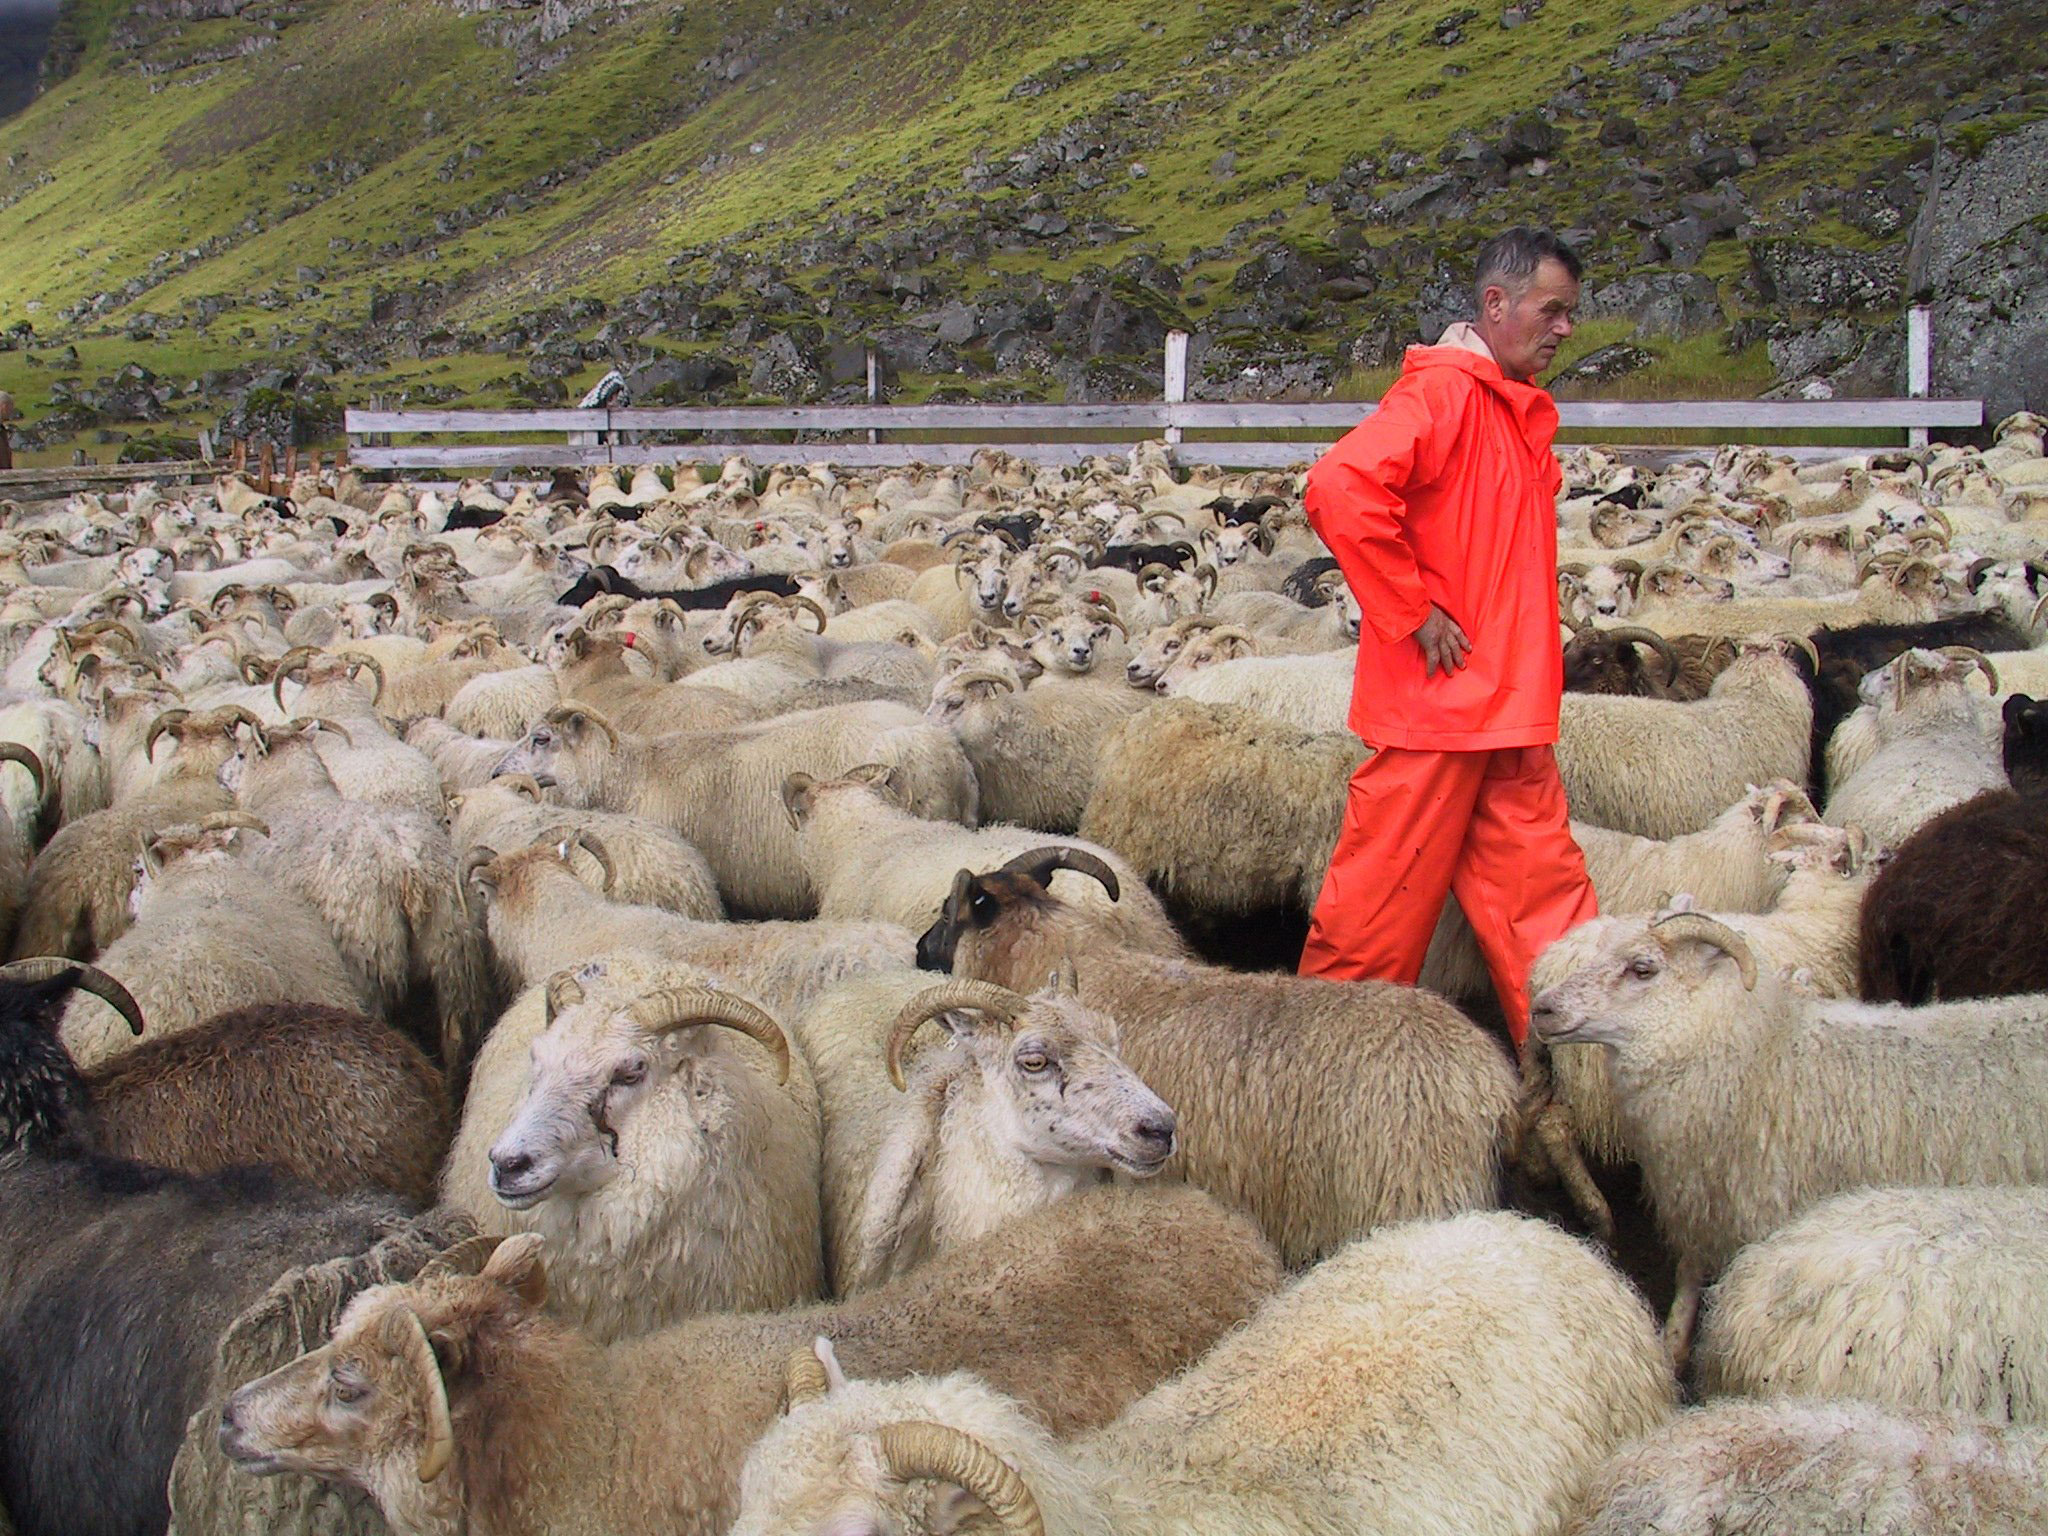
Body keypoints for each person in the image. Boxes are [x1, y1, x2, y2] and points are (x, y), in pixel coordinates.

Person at [1297, 226, 1595, 1044]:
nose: (1566, 328)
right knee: (1374, 919)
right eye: (1553, 309)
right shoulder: (1443, 395)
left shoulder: (1505, 406)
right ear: (1495, 304)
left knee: (1552, 921)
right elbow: (1339, 484)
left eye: (1572, 313)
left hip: (1506, 712)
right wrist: (1410, 610)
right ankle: (1316, 1082)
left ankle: (1584, 1093)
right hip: (1442, 713)